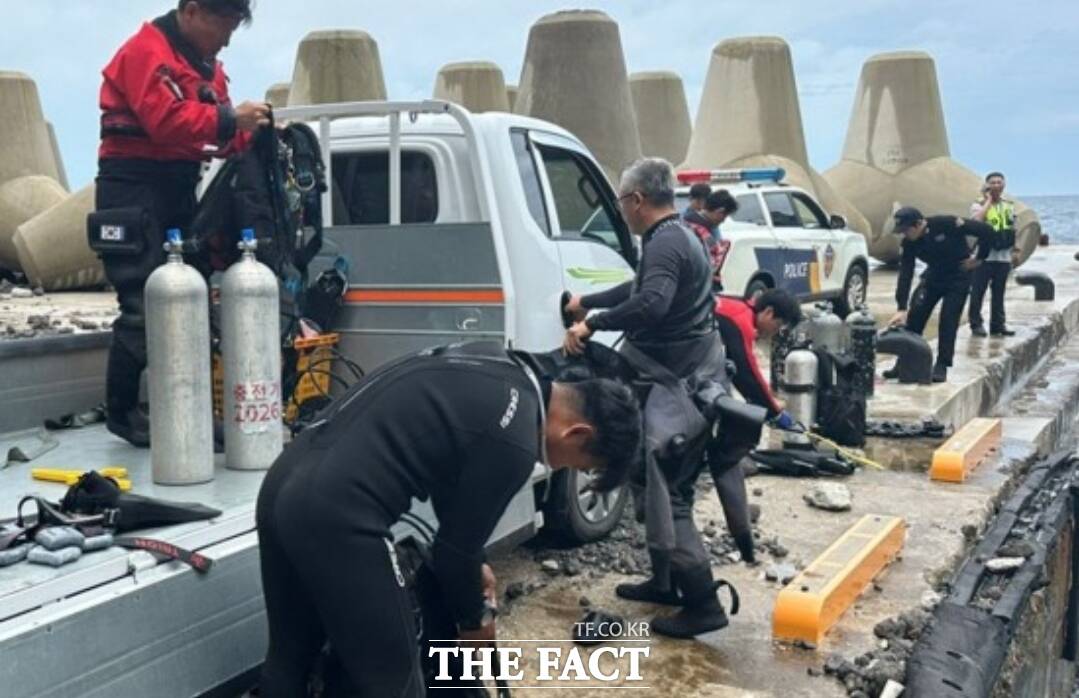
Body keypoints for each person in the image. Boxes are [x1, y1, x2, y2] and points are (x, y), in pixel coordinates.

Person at [256, 342, 642, 697]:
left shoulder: (500, 364)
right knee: (396, 682)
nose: (554, 466)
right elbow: (453, 553)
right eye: (573, 463)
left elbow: (454, 490)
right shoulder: (518, 443)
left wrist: (477, 564)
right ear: (577, 432)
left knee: (291, 655)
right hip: (341, 513)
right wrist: (474, 622)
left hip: (282, 485)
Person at [563, 158, 737, 639]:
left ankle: (701, 605)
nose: (622, 210)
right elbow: (643, 286)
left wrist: (591, 324)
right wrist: (590, 301)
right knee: (650, 482)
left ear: (636, 200)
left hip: (676, 390)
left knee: (670, 493)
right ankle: (665, 583)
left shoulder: (666, 241)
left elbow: (652, 303)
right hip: (692, 382)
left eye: (621, 201)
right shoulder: (678, 236)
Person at [94, 0, 270, 447]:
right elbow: (168, 122)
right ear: (192, 11)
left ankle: (183, 409)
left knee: (189, 298)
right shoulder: (145, 54)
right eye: (224, 27)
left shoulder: (207, 68)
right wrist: (233, 120)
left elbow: (218, 133)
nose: (227, 39)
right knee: (142, 305)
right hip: (131, 191)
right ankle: (122, 413)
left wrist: (256, 133)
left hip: (177, 189)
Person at [887, 207, 994, 383]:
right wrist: (901, 307)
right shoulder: (909, 243)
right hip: (934, 275)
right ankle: (904, 361)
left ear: (919, 224)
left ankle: (942, 364)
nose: (904, 234)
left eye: (907, 230)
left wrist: (979, 258)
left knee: (948, 319)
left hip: (959, 275)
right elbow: (905, 273)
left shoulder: (946, 223)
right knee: (915, 317)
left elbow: (986, 231)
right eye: (902, 231)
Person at [715, 289, 801, 424]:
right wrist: (774, 413)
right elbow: (747, 373)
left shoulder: (738, 307)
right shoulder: (740, 320)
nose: (774, 333)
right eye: (777, 326)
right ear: (768, 312)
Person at [968, 171, 1020, 337]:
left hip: (1003, 256)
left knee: (999, 292)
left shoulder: (1008, 205)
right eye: (993, 182)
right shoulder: (978, 205)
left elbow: (1012, 228)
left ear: (1004, 185)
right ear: (987, 185)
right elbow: (976, 222)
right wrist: (988, 200)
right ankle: (976, 324)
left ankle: (998, 324)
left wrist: (1015, 249)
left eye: (999, 182)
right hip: (984, 256)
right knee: (978, 292)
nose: (996, 185)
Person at [683, 189, 739, 290]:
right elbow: (710, 264)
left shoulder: (688, 222)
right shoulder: (698, 230)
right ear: (720, 212)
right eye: (724, 217)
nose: (723, 221)